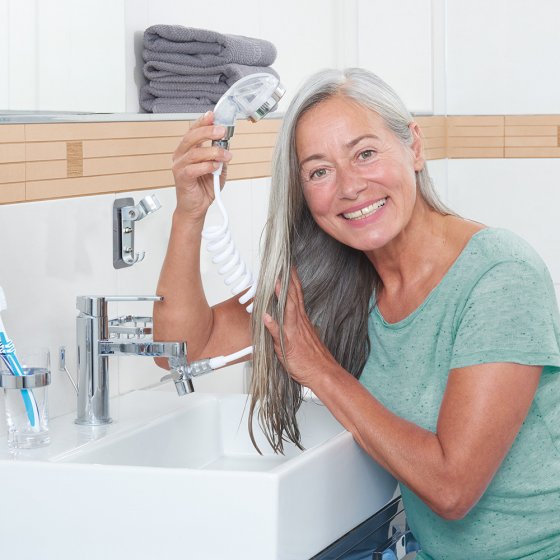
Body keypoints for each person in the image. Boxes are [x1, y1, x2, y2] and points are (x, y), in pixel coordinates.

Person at [154, 67, 560, 560]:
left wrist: (317, 368)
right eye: (319, 171)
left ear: (413, 146)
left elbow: (453, 488)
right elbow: (182, 349)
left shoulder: (499, 276)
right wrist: (190, 213)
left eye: (365, 154)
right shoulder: (337, 278)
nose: (349, 187)